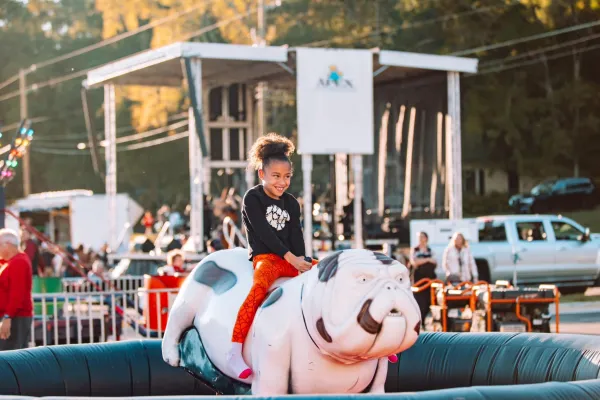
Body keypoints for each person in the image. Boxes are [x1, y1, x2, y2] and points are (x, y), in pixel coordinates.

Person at [227, 133, 316, 379]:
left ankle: (367, 342)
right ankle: (234, 350)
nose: (282, 182)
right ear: (262, 174)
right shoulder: (252, 198)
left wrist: (304, 261)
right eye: (276, 176)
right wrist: (291, 259)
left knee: (331, 272)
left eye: (287, 176)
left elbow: (297, 236)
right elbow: (264, 234)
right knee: (258, 290)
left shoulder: (291, 203)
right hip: (267, 259)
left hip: (291, 260)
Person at [0, 229, 34, 351]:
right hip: (13, 316)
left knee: (9, 356)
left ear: (7, 245)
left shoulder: (18, 262)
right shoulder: (13, 262)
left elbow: (17, 294)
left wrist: (8, 316)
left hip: (15, 317)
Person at [410, 232, 437, 325]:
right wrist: (427, 260)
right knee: (418, 300)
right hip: (418, 279)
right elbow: (414, 262)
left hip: (429, 279)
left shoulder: (430, 250)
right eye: (419, 237)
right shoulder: (415, 249)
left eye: (422, 237)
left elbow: (435, 261)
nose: (421, 239)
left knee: (428, 299)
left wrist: (424, 261)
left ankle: (426, 320)